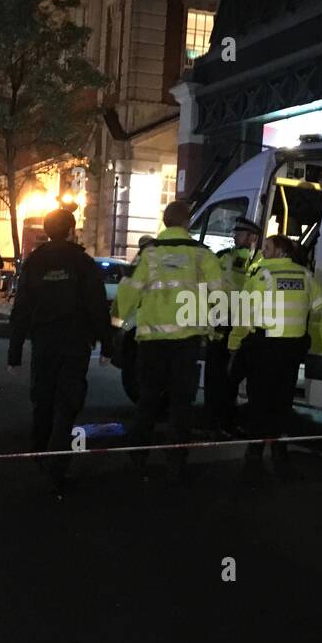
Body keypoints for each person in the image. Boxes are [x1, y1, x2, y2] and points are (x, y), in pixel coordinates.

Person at [7, 208, 113, 495]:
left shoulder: (35, 261)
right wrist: (107, 343)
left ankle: (39, 450)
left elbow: (22, 308)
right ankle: (57, 462)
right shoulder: (82, 262)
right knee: (67, 403)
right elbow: (96, 305)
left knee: (43, 397)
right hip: (75, 341)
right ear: (71, 229)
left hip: (44, 340)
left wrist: (14, 351)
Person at [115, 200, 223, 480]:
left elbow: (128, 293)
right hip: (187, 342)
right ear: (187, 223)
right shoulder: (202, 255)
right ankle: (176, 459)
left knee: (148, 400)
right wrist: (214, 330)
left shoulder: (147, 255)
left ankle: (137, 455)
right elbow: (218, 296)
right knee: (181, 403)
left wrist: (114, 328)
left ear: (165, 222)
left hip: (151, 341)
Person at [231, 234, 322, 477]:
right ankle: (280, 451)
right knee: (282, 399)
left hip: (264, 347)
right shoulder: (304, 275)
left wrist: (234, 343)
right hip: (291, 349)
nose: (263, 252)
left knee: (259, 399)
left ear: (281, 251)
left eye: (267, 247)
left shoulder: (260, 276)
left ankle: (255, 451)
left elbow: (244, 315)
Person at [204, 217, 261, 435]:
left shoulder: (259, 263)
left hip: (242, 328)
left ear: (252, 237)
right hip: (221, 325)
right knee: (216, 376)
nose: (234, 236)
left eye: (240, 233)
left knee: (232, 378)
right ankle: (214, 421)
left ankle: (227, 420)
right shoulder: (223, 258)